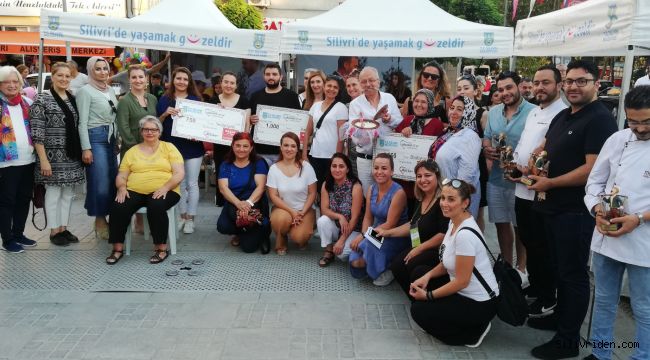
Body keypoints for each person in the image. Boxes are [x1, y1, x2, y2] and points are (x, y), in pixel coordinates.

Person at [527, 60, 617, 360]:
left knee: (572, 274)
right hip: (551, 208)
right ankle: (560, 320)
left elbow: (593, 170)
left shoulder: (600, 119)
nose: (574, 87)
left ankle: (568, 341)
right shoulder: (565, 115)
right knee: (557, 269)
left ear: (597, 82)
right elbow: (545, 147)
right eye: (570, 81)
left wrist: (551, 183)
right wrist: (534, 159)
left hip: (575, 211)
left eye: (582, 81)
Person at [583, 85, 650, 360]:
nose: (640, 128)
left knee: (644, 308)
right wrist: (598, 208)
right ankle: (600, 354)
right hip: (607, 237)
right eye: (633, 121)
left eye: (647, 121)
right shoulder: (617, 139)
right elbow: (595, 182)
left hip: (644, 242)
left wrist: (639, 218)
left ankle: (642, 356)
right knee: (604, 300)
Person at [409, 179, 498, 348]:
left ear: (465, 203)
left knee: (419, 311)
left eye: (451, 199)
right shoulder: (453, 221)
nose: (444, 203)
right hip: (463, 290)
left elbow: (461, 281)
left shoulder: (465, 234)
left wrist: (429, 295)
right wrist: (427, 277)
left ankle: (473, 332)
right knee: (419, 273)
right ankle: (449, 317)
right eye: (442, 198)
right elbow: (446, 262)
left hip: (479, 303)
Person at [510, 65, 566, 319]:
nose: (540, 87)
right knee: (529, 241)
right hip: (521, 187)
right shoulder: (534, 112)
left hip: (540, 192)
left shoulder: (563, 114)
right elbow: (526, 145)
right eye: (536, 82)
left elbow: (553, 153)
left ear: (558, 84)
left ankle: (547, 297)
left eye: (546, 82)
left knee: (543, 246)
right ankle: (536, 284)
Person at [106, 116, 184, 265]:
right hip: (135, 190)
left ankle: (161, 249)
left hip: (166, 189)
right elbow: (122, 175)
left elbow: (179, 173)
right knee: (118, 206)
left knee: (156, 206)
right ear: (141, 132)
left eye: (154, 129)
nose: (150, 132)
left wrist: (165, 187)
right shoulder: (132, 152)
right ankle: (117, 249)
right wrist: (122, 188)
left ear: (159, 132)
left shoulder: (169, 148)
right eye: (146, 129)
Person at [482, 71, 535, 274]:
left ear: (519, 86)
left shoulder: (533, 111)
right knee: (501, 224)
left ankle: (521, 269)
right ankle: (506, 266)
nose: (505, 92)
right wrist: (486, 148)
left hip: (521, 180)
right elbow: (487, 137)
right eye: (501, 89)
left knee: (519, 226)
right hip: (496, 178)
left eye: (509, 87)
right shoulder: (494, 112)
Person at [30, 62, 85, 246]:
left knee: (68, 194)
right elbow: (37, 133)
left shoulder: (72, 97)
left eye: (67, 76)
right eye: (60, 75)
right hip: (51, 157)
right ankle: (54, 231)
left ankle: (63, 227)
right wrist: (43, 160)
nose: (64, 79)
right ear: (52, 76)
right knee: (53, 193)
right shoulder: (41, 99)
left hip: (71, 155)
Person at [386, 159, 448, 298]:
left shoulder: (442, 201)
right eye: (419, 176)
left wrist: (418, 249)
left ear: (436, 176)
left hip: (437, 250)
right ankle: (414, 297)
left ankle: (422, 299)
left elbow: (443, 234)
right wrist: (388, 233)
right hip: (420, 245)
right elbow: (413, 225)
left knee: (412, 264)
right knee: (396, 265)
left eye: (427, 175)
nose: (423, 180)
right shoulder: (421, 198)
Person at [349, 153, 409, 286]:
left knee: (365, 246)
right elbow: (368, 217)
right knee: (355, 261)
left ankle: (390, 267)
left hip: (394, 235)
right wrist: (362, 234)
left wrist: (365, 236)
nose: (379, 172)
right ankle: (374, 263)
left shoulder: (398, 193)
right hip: (376, 231)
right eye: (376, 168)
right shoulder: (372, 188)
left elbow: (390, 224)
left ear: (392, 171)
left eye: (384, 168)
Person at [157, 67, 204, 234]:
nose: (182, 82)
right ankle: (181, 216)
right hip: (171, 148)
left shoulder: (196, 100)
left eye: (185, 79)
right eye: (179, 78)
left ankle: (191, 218)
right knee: (178, 183)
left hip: (193, 148)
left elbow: (203, 124)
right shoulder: (164, 99)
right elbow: (156, 126)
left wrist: (198, 134)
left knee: (192, 184)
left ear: (189, 82)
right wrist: (164, 115)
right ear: (173, 81)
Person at [77, 56, 119, 241]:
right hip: (95, 138)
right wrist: (86, 148)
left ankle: (110, 216)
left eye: (105, 68)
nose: (102, 72)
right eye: (98, 69)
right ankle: (100, 219)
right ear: (90, 71)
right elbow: (82, 122)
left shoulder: (109, 89)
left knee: (112, 179)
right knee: (99, 181)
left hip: (110, 138)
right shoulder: (84, 91)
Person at [348, 67, 402, 194]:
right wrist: (362, 135)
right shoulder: (355, 104)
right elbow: (352, 131)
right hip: (365, 158)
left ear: (378, 81)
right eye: (364, 81)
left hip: (388, 157)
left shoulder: (389, 98)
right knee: (368, 196)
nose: (368, 84)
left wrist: (389, 119)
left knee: (388, 195)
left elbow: (399, 122)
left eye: (371, 80)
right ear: (360, 84)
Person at [0, 66, 37, 253]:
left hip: (28, 159)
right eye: (7, 82)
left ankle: (19, 233)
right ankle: (7, 239)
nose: (12, 85)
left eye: (15, 81)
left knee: (24, 198)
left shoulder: (26, 102)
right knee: (7, 201)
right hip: (5, 163)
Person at [394, 88, 445, 214]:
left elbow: (438, 152)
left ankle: (416, 234)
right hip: (403, 181)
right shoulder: (407, 120)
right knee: (402, 215)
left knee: (418, 217)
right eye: (416, 101)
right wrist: (402, 133)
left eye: (424, 102)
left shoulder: (436, 124)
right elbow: (395, 145)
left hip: (424, 183)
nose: (419, 105)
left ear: (430, 104)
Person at [429, 96, 482, 218]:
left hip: (456, 201)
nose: (453, 112)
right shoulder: (449, 132)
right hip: (444, 195)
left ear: (468, 112)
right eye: (452, 108)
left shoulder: (470, 136)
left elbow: (467, 175)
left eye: (459, 109)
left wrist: (453, 199)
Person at [217, 132, 270, 253]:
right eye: (238, 145)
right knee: (223, 226)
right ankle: (241, 231)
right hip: (233, 202)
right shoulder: (226, 164)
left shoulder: (259, 163)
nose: (241, 149)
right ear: (232, 146)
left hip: (254, 203)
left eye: (245, 146)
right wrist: (238, 203)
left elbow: (261, 187)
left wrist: (248, 203)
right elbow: (223, 188)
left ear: (251, 148)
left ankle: (255, 229)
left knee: (249, 248)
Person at [267, 132, 317, 255]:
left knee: (300, 237)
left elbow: (312, 193)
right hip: (283, 209)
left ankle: (303, 235)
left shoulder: (306, 167)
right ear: (281, 147)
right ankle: (281, 240)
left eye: (293, 146)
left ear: (297, 148)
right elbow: (273, 196)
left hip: (304, 210)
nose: (289, 149)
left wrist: (302, 212)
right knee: (279, 220)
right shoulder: (274, 169)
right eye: (286, 145)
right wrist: (292, 212)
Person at [317, 153, 364, 266]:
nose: (337, 169)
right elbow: (324, 209)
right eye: (334, 166)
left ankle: (346, 245)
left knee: (342, 254)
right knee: (322, 220)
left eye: (341, 166)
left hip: (354, 228)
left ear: (347, 169)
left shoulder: (355, 186)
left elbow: (355, 217)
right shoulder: (326, 184)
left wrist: (342, 240)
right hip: (338, 224)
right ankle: (329, 250)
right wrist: (340, 216)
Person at [249, 63, 301, 165]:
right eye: (268, 74)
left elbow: (298, 123)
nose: (271, 77)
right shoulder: (255, 96)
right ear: (264, 76)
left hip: (284, 153)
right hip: (260, 152)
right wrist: (251, 120)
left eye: (274, 74)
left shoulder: (291, 96)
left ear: (280, 76)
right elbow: (249, 120)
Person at [456, 74, 489, 230]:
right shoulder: (456, 113)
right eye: (459, 89)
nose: (462, 91)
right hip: (457, 166)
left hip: (477, 168)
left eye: (466, 88)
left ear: (476, 91)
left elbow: (488, 142)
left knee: (477, 212)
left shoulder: (482, 114)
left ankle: (477, 246)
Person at [304, 75, 348, 191]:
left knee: (329, 188)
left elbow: (341, 136)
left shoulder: (341, 107)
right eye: (329, 86)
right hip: (315, 154)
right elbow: (308, 130)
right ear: (324, 87)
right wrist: (304, 154)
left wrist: (337, 157)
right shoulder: (315, 106)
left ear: (338, 91)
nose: (331, 89)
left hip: (331, 156)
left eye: (335, 87)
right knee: (315, 187)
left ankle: (326, 209)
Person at [116, 65, 158, 157]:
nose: (138, 80)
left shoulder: (153, 99)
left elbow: (156, 122)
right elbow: (123, 128)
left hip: (152, 148)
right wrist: (137, 148)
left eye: (141, 77)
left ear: (146, 78)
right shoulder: (124, 101)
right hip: (132, 150)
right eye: (134, 77)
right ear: (129, 79)